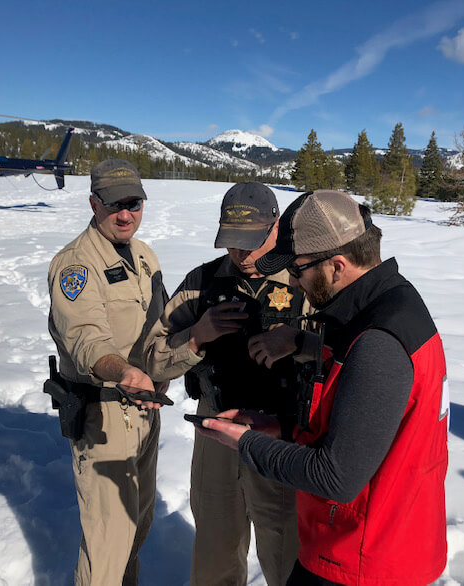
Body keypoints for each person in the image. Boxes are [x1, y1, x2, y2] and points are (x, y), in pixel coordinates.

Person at [198, 190, 448, 586]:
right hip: (375, 542)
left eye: (297, 271)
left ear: (337, 265)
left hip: (362, 560)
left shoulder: (378, 341)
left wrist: (246, 443)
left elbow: (336, 478)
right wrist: (282, 428)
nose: (294, 284)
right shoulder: (389, 303)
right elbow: (361, 422)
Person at [145, 182, 311, 586]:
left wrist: (299, 341)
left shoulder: (306, 280)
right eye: (233, 242)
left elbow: (345, 351)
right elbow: (152, 358)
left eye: (252, 242)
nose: (241, 254)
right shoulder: (201, 284)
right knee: (216, 551)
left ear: (276, 227)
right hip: (215, 431)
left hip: (280, 436)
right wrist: (196, 336)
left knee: (287, 554)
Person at [47, 159, 169, 586]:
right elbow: (84, 338)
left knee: (136, 527)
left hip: (146, 410)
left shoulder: (144, 255)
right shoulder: (75, 265)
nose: (125, 214)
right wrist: (123, 372)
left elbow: (161, 322)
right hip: (104, 415)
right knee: (107, 544)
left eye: (133, 203)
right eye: (114, 204)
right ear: (93, 204)